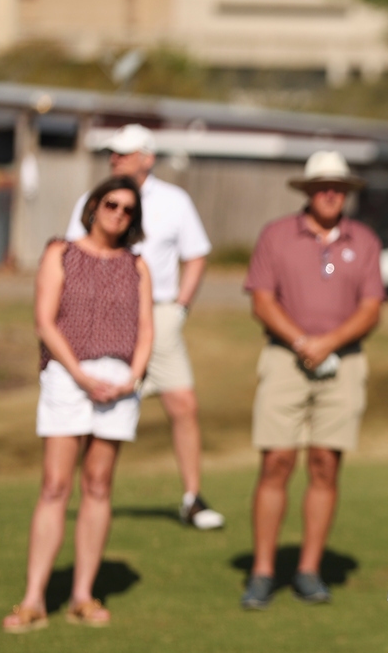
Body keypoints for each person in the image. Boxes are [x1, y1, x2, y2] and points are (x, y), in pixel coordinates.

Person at [3, 177, 153, 632]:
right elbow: (45, 321)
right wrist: (81, 374)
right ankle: (34, 598)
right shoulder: (61, 252)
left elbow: (146, 327)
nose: (119, 214)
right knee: (54, 485)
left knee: (99, 485)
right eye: (112, 204)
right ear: (94, 207)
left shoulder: (137, 265)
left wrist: (131, 378)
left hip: (118, 382)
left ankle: (82, 596)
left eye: (128, 209)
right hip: (68, 375)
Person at [240, 151, 384, 609]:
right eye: (322, 186)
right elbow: (262, 300)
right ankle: (263, 571)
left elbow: (371, 308)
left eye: (337, 187)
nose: (330, 194)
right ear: (307, 190)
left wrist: (328, 343)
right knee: (276, 461)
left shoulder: (365, 240)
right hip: (284, 357)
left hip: (345, 361)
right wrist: (302, 341)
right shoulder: (277, 234)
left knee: (325, 463)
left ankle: (308, 570)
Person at [65, 124, 222, 528]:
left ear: (147, 158)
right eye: (113, 153)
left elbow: (196, 255)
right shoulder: (95, 199)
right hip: (106, 317)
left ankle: (192, 498)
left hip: (160, 313)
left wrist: (181, 306)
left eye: (124, 153)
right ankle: (87, 495)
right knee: (95, 406)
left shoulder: (174, 200)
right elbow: (73, 255)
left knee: (182, 403)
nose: (115, 159)